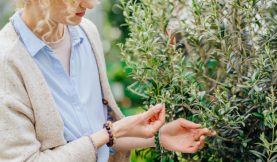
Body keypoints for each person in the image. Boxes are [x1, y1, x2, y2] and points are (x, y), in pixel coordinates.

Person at [0, 0, 216, 161]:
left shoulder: (86, 33)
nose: (91, 4)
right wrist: (113, 132)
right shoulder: (7, 62)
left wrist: (160, 136)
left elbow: (99, 139)